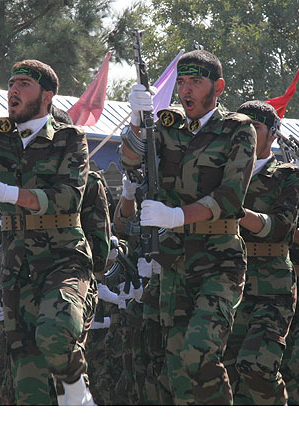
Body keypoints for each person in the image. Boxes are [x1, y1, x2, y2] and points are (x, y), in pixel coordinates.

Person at [0, 58, 95, 405]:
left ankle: (76, 386)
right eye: (11, 83)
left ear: (47, 96)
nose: (13, 90)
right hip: (17, 266)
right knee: (27, 383)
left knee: (57, 332)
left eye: (24, 84)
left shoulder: (69, 139)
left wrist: (8, 193)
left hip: (62, 258)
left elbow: (68, 198)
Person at [120, 49, 256, 404]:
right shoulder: (166, 126)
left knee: (200, 351)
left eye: (196, 82)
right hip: (175, 261)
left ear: (218, 87)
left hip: (219, 260)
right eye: (181, 82)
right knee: (177, 369)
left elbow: (230, 196)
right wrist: (136, 121)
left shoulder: (238, 129)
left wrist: (177, 216)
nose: (186, 90)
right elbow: (130, 162)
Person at [222, 101, 299, 405]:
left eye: (254, 127)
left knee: (257, 366)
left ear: (272, 133)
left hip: (272, 286)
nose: (246, 135)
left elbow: (281, 227)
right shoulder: (221, 173)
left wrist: (234, 208)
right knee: (226, 372)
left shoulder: (287, 175)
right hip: (227, 281)